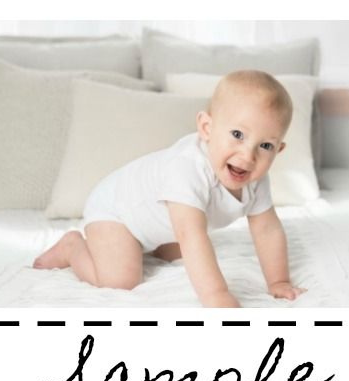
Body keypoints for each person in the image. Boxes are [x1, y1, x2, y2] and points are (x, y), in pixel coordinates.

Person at [34, 70, 306, 308]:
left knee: (178, 253)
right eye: (237, 135)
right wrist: (216, 296)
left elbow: (267, 230)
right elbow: (191, 236)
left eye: (266, 145)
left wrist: (278, 281)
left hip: (158, 219)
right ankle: (72, 247)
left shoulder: (256, 180)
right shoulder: (186, 169)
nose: (248, 156)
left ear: (278, 150)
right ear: (206, 128)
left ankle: (154, 245)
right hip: (116, 212)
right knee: (120, 281)